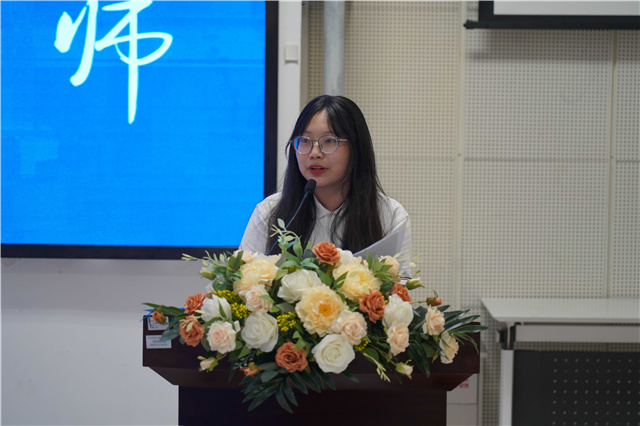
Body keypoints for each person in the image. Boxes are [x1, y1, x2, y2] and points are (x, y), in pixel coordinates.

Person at [240, 95, 412, 270]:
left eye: (329, 140)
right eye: (305, 140)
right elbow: (242, 279)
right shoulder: (268, 212)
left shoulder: (389, 216)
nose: (315, 153)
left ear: (356, 148)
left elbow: (401, 284)